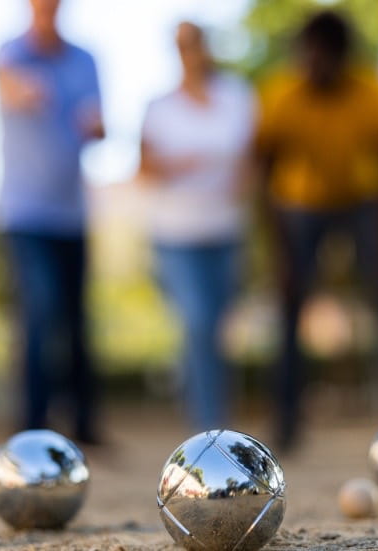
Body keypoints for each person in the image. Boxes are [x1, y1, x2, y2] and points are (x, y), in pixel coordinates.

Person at [257, 10, 378, 451]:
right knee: (290, 310)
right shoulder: (281, 96)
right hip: (299, 208)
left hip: (361, 204)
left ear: (343, 58)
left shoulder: (372, 96)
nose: (313, 64)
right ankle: (286, 423)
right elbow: (264, 177)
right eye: (306, 55)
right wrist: (280, 256)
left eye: (324, 56)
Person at [136, 22, 256, 431]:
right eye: (181, 46)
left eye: (194, 44)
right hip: (176, 234)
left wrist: (243, 178)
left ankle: (210, 412)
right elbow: (143, 168)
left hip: (224, 230)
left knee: (217, 329)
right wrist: (179, 164)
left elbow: (251, 159)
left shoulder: (237, 96)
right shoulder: (160, 107)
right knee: (198, 322)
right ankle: (208, 425)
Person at [0, 0, 105, 443]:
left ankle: (85, 425)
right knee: (40, 310)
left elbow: (99, 125)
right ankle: (32, 427)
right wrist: (32, 91)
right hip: (24, 212)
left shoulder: (85, 59)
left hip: (72, 211)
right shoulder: (11, 53)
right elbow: (13, 90)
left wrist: (94, 124)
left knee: (78, 319)